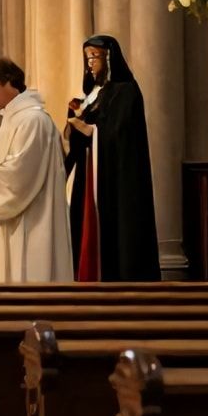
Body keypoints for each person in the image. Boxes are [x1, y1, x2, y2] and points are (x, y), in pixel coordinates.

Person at [0, 57, 73, 282]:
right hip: (13, 222)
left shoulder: (33, 120)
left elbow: (19, 176)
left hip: (30, 224)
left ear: (9, 83)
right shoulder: (15, 119)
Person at [65, 35, 160, 281]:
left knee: (115, 231)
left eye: (94, 57)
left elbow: (122, 132)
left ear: (109, 57)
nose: (90, 64)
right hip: (90, 173)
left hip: (114, 177)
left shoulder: (125, 91)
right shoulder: (92, 94)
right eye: (87, 58)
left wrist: (90, 130)